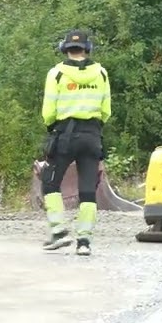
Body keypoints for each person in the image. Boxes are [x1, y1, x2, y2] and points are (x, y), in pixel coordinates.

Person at [40, 29, 112, 255]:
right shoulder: (101, 73)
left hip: (65, 135)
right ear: (87, 48)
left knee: (50, 182)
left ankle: (59, 231)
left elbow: (48, 112)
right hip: (92, 135)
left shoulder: (56, 74)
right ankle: (84, 241)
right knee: (88, 190)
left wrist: (52, 126)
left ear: (65, 49)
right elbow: (106, 111)